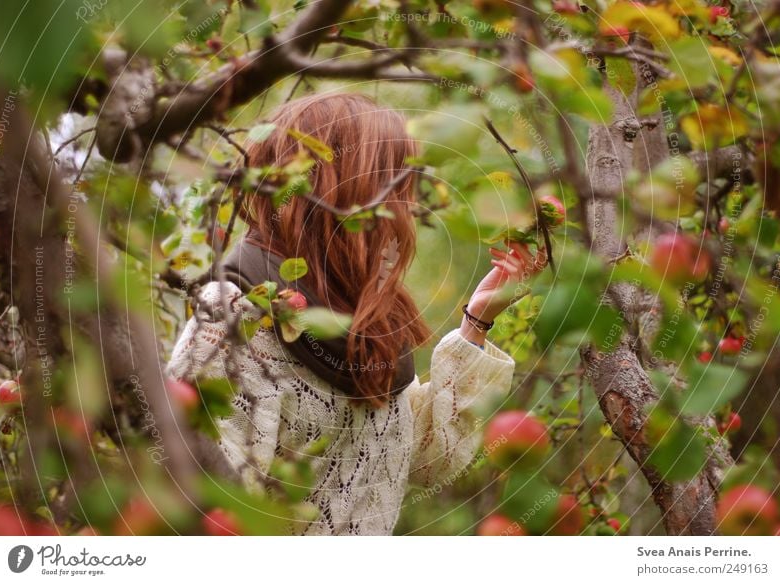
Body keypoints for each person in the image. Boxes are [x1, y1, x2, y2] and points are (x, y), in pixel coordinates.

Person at [167, 92, 546, 535]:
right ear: (345, 194)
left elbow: (423, 462)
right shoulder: (236, 317)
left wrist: (476, 321)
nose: (405, 210)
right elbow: (199, 513)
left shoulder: (369, 324)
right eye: (393, 188)